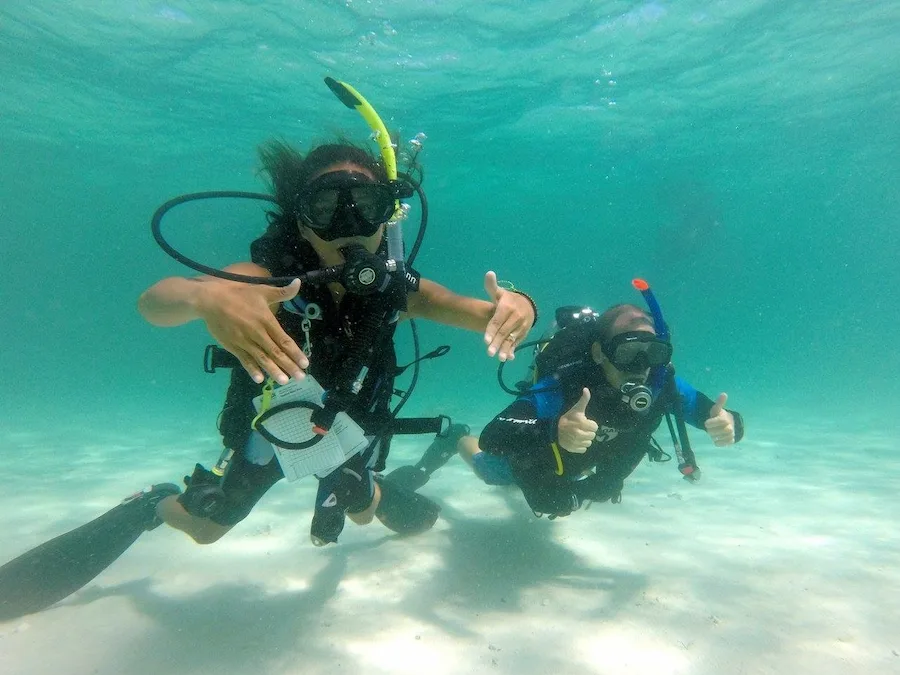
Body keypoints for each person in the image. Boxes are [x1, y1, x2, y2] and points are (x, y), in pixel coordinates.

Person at [0, 80, 538, 620]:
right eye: (328, 206)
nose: (349, 225)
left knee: (363, 512)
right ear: (300, 218)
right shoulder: (267, 276)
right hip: (271, 430)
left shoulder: (399, 288)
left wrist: (522, 305)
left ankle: (363, 489)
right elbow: (154, 303)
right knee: (207, 531)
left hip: (345, 430)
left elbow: (485, 312)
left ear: (389, 217)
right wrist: (204, 296)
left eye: (368, 206)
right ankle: (153, 504)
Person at [394, 293, 744, 519]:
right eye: (626, 352)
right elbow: (494, 437)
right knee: (491, 472)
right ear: (598, 353)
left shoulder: (662, 383)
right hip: (543, 455)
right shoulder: (566, 384)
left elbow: (718, 416)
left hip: (592, 464)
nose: (640, 366)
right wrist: (553, 430)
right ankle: (455, 436)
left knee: (578, 487)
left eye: (652, 353)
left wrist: (728, 424)